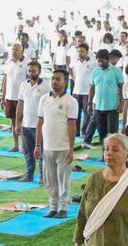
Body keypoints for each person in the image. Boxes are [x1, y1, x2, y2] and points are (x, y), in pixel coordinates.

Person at [35, 69, 77, 218]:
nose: (54, 81)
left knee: (63, 179)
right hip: (47, 147)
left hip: (63, 147)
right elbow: (40, 123)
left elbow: (72, 126)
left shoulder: (70, 101)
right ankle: (53, 206)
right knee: (49, 179)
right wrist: (37, 145)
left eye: (58, 79)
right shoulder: (44, 99)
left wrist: (71, 149)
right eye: (53, 78)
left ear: (65, 82)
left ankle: (63, 208)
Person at [15, 60, 50, 182]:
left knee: (41, 152)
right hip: (26, 124)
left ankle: (42, 175)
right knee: (28, 152)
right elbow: (20, 104)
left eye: (33, 71)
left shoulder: (46, 86)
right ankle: (29, 175)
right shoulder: (24, 85)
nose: (31, 73)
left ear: (39, 72)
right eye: (29, 71)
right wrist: (17, 123)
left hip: (40, 125)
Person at [87, 49, 124, 151]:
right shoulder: (95, 71)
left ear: (107, 60)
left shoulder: (116, 71)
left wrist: (121, 104)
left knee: (112, 133)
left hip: (112, 107)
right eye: (98, 61)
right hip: (98, 106)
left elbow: (121, 87)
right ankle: (105, 154)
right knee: (101, 132)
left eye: (102, 61)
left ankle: (113, 153)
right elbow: (92, 88)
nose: (100, 63)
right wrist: (89, 104)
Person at [1, 43, 30, 152]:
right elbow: (5, 79)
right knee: (13, 122)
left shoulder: (27, 62)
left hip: (22, 98)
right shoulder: (8, 62)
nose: (13, 52)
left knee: (23, 122)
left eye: (16, 50)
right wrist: (2, 95)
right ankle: (16, 144)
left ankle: (24, 145)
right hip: (10, 96)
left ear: (21, 50)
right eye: (12, 49)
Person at [70, 43, 95, 138]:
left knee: (87, 112)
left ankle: (85, 131)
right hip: (76, 91)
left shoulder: (92, 62)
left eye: (82, 51)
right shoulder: (75, 62)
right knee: (76, 112)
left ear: (87, 52)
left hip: (87, 91)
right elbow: (70, 67)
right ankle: (76, 131)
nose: (80, 53)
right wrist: (73, 77)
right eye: (79, 51)